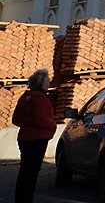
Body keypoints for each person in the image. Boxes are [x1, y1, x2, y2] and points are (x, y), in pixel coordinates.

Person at [13, 68, 56, 203]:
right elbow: (41, 119)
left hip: (24, 137)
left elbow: (15, 119)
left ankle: (20, 198)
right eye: (48, 80)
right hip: (37, 138)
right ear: (42, 84)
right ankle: (26, 199)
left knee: (24, 171)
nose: (49, 82)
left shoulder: (25, 97)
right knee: (32, 172)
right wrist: (53, 126)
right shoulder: (40, 99)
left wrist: (27, 123)